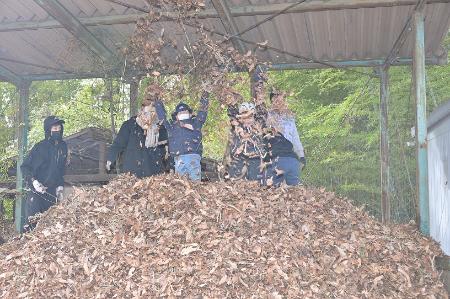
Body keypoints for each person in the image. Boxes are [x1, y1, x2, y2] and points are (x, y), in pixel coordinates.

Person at [21, 116, 68, 230]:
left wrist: (60, 186)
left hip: (51, 193)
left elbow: (61, 169)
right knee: (32, 224)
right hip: (36, 192)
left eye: (59, 127)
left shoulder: (63, 147)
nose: (57, 130)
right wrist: (34, 182)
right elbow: (25, 167)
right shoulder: (40, 147)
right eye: (54, 127)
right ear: (48, 130)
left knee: (49, 225)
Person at [106, 98, 168, 178]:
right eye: (146, 113)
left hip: (154, 174)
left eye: (152, 113)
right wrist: (110, 158)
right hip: (132, 172)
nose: (148, 116)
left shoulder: (161, 129)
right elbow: (118, 143)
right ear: (141, 112)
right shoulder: (130, 125)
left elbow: (167, 148)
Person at [154, 92, 209, 181]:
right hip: (178, 159)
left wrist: (205, 97)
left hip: (193, 157)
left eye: (185, 111)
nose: (182, 113)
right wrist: (158, 102)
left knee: (195, 182)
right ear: (176, 116)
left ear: (190, 114)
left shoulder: (196, 123)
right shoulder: (171, 126)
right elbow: (162, 118)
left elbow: (202, 113)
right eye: (180, 112)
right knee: (181, 185)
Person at [225, 67, 267, 181]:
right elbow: (231, 110)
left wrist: (259, 81)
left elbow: (262, 109)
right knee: (235, 185)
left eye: (250, 116)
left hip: (256, 159)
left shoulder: (259, 124)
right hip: (238, 159)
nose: (247, 119)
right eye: (244, 116)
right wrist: (229, 89)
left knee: (256, 187)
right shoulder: (237, 126)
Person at [267, 90, 306, 182]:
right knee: (275, 190)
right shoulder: (267, 117)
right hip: (274, 158)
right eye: (275, 99)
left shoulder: (289, 118)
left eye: (281, 99)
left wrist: (301, 156)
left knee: (294, 190)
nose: (278, 102)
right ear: (272, 101)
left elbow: (295, 138)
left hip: (290, 157)